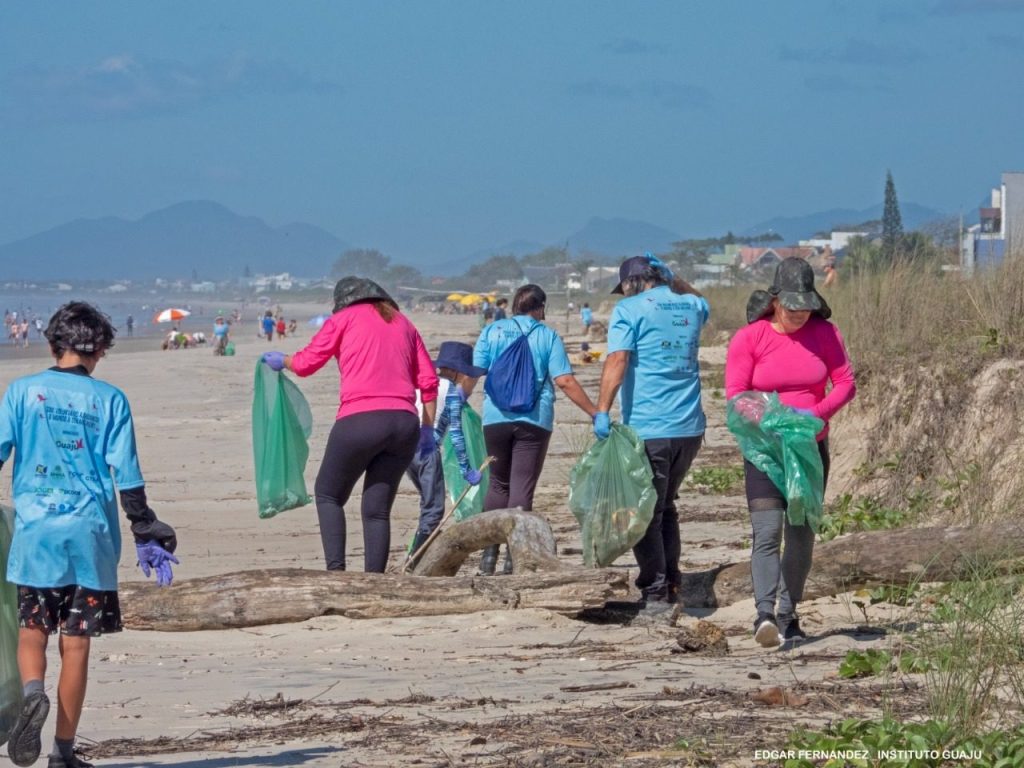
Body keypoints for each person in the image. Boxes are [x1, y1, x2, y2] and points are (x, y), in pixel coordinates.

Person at [0, 301, 178, 768]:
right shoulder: (111, 400)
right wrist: (146, 527)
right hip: (91, 538)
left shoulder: (21, 392)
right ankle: (62, 754)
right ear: (99, 349)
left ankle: (33, 692)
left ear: (52, 344)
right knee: (76, 645)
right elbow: (128, 475)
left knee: (31, 631)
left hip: (37, 533)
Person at [261, 277, 438, 573]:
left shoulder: (342, 319)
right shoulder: (404, 323)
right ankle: (374, 581)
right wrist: (428, 430)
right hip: (405, 423)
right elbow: (428, 381)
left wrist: (284, 360)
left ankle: (337, 574)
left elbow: (307, 363)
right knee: (377, 510)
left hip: (361, 420)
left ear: (343, 302)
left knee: (329, 494)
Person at [725, 257, 856, 647]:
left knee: (801, 535)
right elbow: (736, 396)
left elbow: (845, 383)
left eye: (807, 306)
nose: (800, 313)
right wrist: (773, 420)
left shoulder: (826, 334)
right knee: (767, 532)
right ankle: (764, 615)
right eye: (793, 306)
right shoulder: (750, 338)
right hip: (765, 450)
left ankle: (790, 614)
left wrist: (814, 416)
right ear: (776, 300)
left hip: (809, 449)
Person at [593, 255, 709, 623]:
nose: (622, 294)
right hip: (690, 428)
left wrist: (602, 409)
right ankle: (672, 583)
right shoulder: (692, 304)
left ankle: (656, 593)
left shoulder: (629, 309)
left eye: (623, 287)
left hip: (650, 426)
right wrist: (677, 279)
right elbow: (700, 298)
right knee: (665, 505)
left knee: (644, 513)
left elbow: (617, 360)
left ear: (632, 283)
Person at [473, 284, 597, 574]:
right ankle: (511, 559)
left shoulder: (492, 330)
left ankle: (488, 556)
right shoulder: (548, 335)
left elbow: (474, 372)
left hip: (495, 418)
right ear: (540, 307)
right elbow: (565, 381)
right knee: (521, 486)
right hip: (534, 420)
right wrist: (594, 412)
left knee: (498, 483)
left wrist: (454, 407)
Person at [405, 341, 486, 556]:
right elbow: (457, 436)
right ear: (461, 374)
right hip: (426, 450)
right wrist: (467, 470)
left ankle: (421, 548)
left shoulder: (424, 383)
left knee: (428, 501)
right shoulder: (452, 392)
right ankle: (416, 559)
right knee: (434, 510)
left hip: (403, 449)